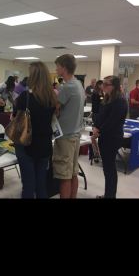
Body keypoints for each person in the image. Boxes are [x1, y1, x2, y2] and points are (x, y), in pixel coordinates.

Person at [11, 61, 56, 199]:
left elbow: (17, 118)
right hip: (45, 143)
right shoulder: (52, 97)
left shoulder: (26, 96)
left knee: (28, 183)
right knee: (41, 182)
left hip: (26, 143)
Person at [53, 54, 85, 199]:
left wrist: (56, 109)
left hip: (65, 136)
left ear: (64, 68)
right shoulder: (78, 84)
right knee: (73, 173)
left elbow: (54, 109)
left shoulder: (66, 87)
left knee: (64, 176)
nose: (56, 69)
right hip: (75, 134)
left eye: (58, 67)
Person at [92, 76, 128, 198]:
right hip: (105, 137)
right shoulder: (107, 98)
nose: (104, 86)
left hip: (112, 138)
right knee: (107, 169)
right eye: (103, 84)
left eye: (107, 84)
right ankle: (108, 195)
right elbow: (100, 115)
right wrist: (94, 126)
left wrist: (99, 132)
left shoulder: (119, 100)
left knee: (109, 170)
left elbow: (111, 121)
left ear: (115, 86)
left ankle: (110, 196)